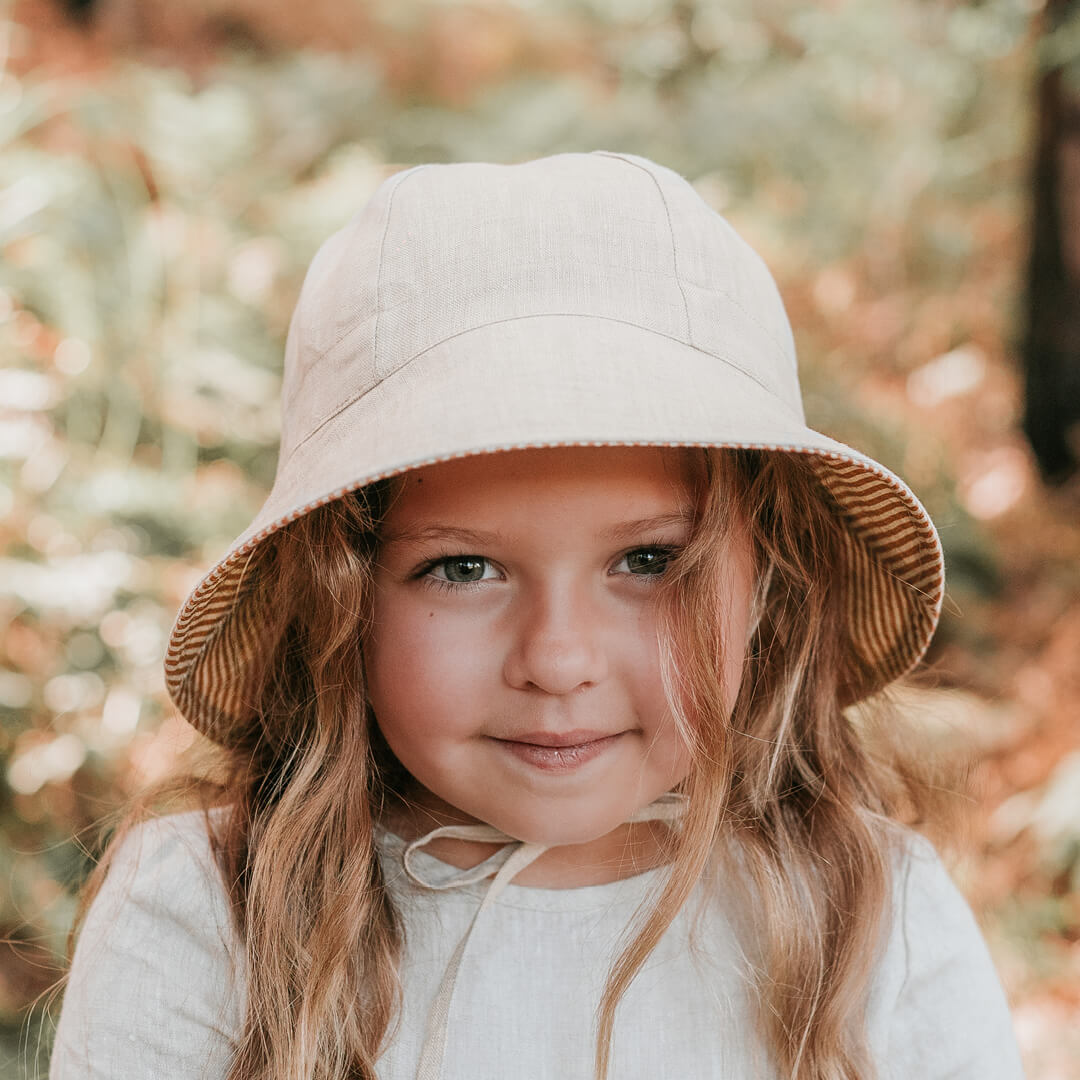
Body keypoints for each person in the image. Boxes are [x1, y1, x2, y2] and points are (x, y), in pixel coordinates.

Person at [49, 151, 1025, 1080]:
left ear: (768, 586)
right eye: (462, 568)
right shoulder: (210, 912)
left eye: (649, 561)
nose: (558, 661)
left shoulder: (873, 916)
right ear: (337, 597)